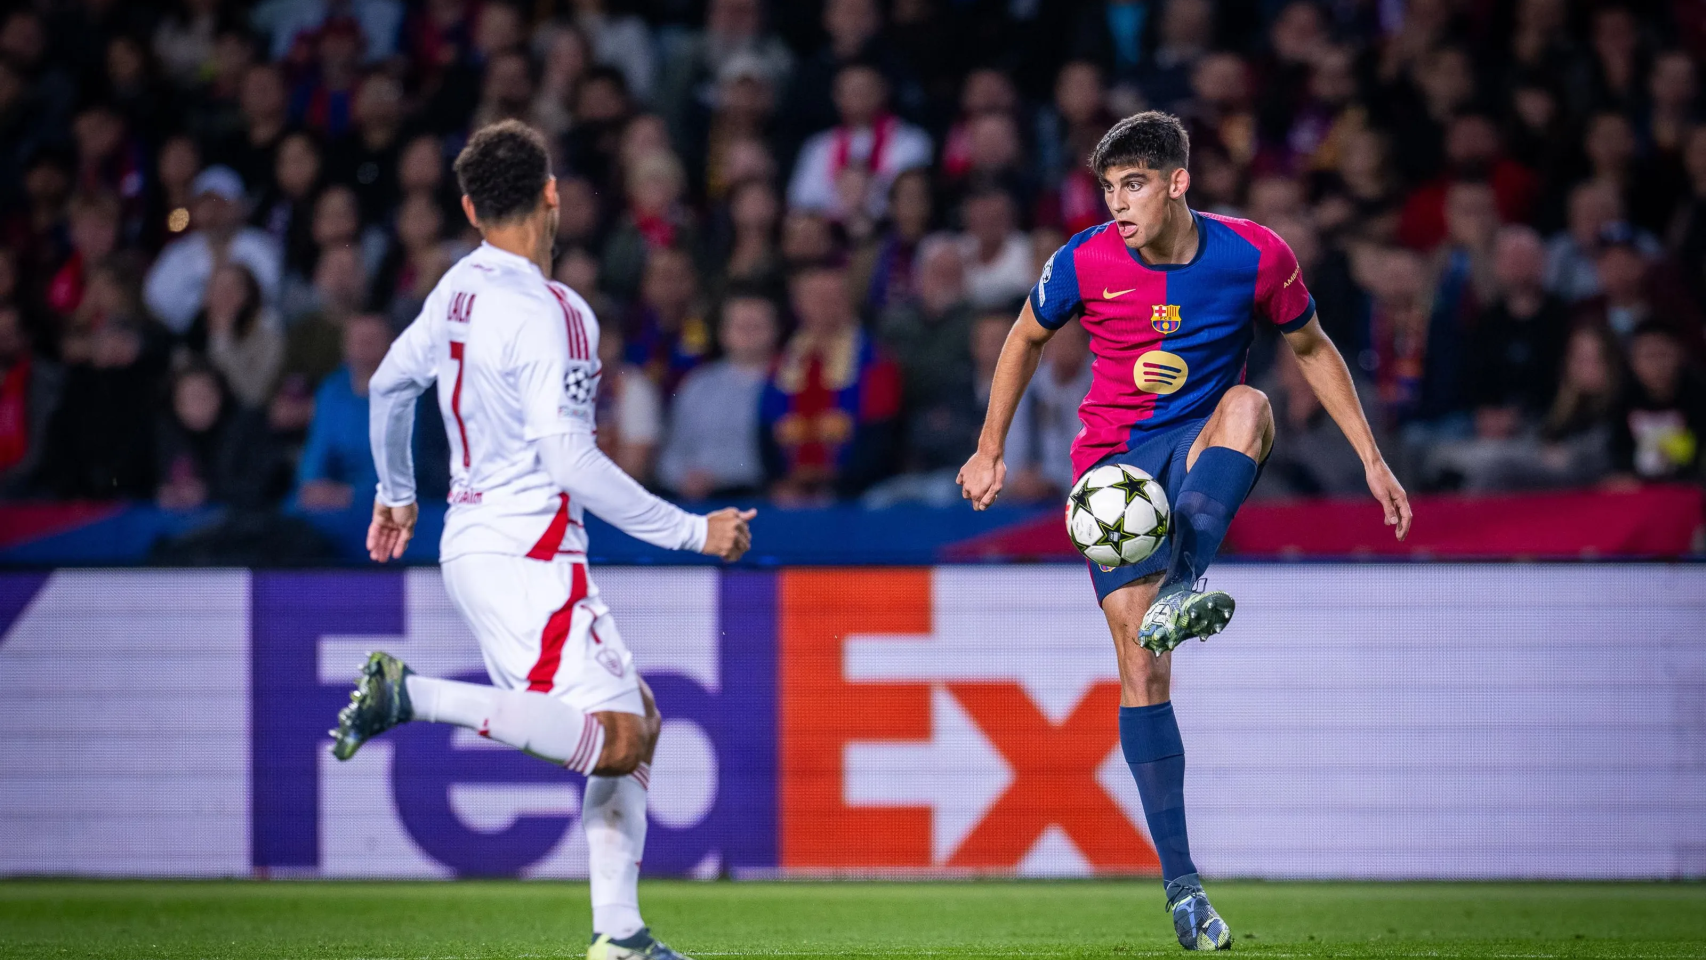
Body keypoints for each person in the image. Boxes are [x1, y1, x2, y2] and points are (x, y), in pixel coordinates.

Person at [956, 112, 1410, 951]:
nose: (1118, 205)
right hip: (1113, 475)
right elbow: (1022, 336)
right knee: (1143, 670)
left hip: (1200, 443)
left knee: (1252, 402)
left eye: (1133, 185)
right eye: (1108, 188)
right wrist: (989, 449)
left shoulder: (1255, 255)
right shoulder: (1086, 260)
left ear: (1177, 182)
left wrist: (1372, 459)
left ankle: (1185, 578)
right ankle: (1184, 890)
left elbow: (1310, 347)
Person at [336, 120, 752, 960]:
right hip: (528, 549)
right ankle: (413, 696)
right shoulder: (556, 310)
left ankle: (622, 936)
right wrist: (691, 533)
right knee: (622, 734)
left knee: (638, 718)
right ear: (552, 192)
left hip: (474, 543)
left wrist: (395, 492)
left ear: (467, 208)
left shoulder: (452, 291)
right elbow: (571, 458)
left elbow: (387, 384)